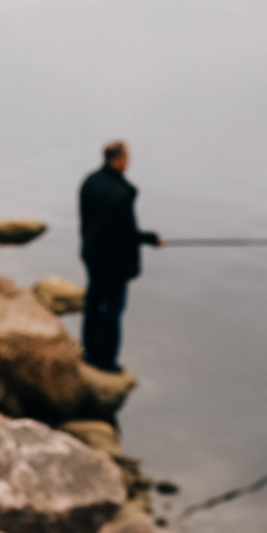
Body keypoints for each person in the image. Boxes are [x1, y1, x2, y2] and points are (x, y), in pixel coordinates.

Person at [77, 139, 158, 373]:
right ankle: (106, 361)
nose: (128, 161)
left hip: (93, 256)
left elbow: (85, 220)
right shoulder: (122, 194)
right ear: (120, 160)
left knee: (93, 304)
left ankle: (90, 351)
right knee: (112, 312)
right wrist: (152, 238)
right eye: (127, 157)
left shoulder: (90, 182)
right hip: (115, 265)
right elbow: (127, 234)